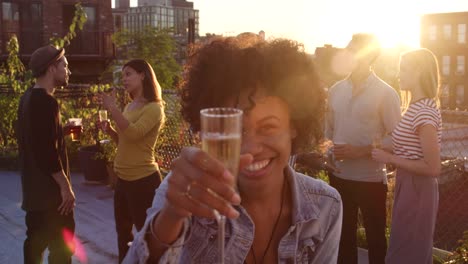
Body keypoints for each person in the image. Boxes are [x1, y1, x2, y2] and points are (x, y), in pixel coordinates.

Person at [122, 35, 343, 264]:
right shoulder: (189, 195)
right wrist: (170, 218)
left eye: (268, 127)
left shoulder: (325, 207)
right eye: (233, 129)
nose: (249, 149)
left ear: (294, 126)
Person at [325, 33, 401, 264]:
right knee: (343, 242)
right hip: (338, 177)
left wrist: (361, 150)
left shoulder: (387, 93)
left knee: (377, 242)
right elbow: (328, 132)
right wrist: (328, 154)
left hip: (371, 180)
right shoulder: (335, 90)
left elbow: (397, 139)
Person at [372, 48, 441, 264]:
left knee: (408, 253)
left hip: (418, 187)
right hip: (408, 184)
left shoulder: (424, 112)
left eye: (403, 69)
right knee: (405, 249)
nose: (398, 74)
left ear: (418, 71)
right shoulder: (415, 107)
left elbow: (433, 167)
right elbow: (410, 147)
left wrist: (390, 159)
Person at [98, 59, 165, 263]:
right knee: (123, 237)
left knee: (147, 240)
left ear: (143, 75)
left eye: (128, 74)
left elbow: (135, 134)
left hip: (143, 181)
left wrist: (112, 109)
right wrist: (110, 130)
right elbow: (125, 141)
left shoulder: (154, 108)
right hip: (123, 181)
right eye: (123, 75)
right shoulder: (130, 106)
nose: (124, 79)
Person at [17, 45, 75, 263]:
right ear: (52, 68)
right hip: (53, 198)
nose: (68, 71)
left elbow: (34, 138)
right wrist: (65, 186)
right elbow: (45, 152)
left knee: (34, 246)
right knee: (61, 251)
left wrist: (61, 131)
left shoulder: (28, 98)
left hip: (34, 194)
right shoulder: (46, 102)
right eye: (65, 66)